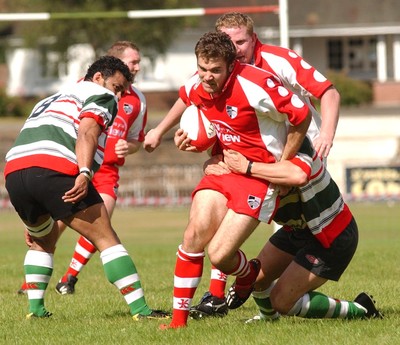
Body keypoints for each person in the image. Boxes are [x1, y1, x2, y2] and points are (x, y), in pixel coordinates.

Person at [160, 31, 312, 330]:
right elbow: (203, 121)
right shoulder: (195, 85)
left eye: (215, 71)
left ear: (231, 65)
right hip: (224, 171)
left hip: (258, 175)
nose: (207, 77)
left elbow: (302, 115)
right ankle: (178, 324)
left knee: (219, 255)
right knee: (193, 236)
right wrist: (188, 141)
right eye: (202, 69)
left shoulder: (256, 83)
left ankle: (246, 273)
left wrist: (282, 167)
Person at [5, 55, 168, 320]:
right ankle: (142, 310)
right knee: (106, 238)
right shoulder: (101, 95)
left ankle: (35, 311)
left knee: (42, 241)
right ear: (98, 78)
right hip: (56, 167)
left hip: (15, 172)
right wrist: (83, 171)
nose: (119, 95)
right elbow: (87, 132)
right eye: (117, 87)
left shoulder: (52, 97)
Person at [200, 142, 383, 321]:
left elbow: (296, 175)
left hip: (332, 233)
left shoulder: (289, 143)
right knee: (256, 280)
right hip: (297, 230)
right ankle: (269, 319)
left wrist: (247, 167)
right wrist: (211, 163)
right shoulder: (248, 144)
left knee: (282, 301)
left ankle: (361, 310)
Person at [143, 12, 340, 160]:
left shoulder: (279, 59)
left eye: (240, 41)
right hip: (255, 157)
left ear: (253, 39)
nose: (234, 49)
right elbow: (188, 96)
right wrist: (160, 132)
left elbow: (329, 93)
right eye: (228, 42)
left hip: (303, 151)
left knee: (314, 215)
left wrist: (326, 135)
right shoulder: (217, 71)